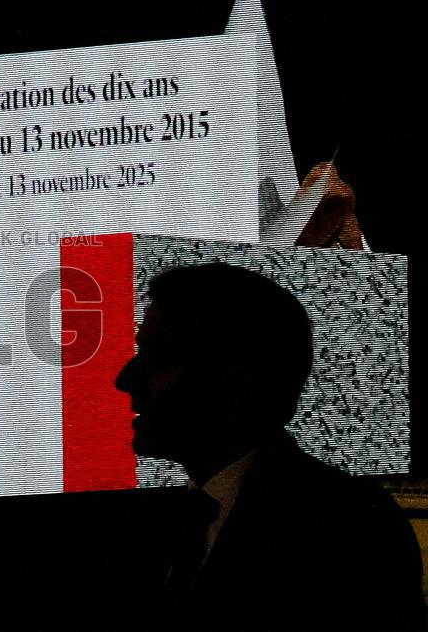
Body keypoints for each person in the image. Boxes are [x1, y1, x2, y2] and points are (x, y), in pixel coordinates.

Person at [114, 263, 425, 631]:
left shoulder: (352, 530)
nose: (125, 379)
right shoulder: (152, 526)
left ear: (235, 375)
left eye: (160, 356)